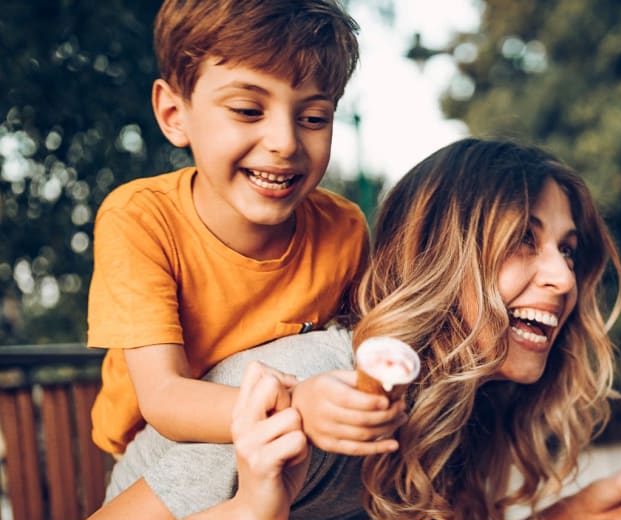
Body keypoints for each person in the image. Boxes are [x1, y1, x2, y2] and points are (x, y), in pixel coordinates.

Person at [12, 139, 621, 520]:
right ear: (440, 253)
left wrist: (579, 515)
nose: (563, 278)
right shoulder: (304, 383)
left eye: (568, 251)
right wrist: (247, 515)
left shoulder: (453, 400)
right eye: (524, 242)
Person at [86, 0, 404, 457]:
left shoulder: (344, 229)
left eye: (314, 118)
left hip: (272, 447)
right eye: (247, 110)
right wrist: (298, 406)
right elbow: (163, 397)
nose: (285, 142)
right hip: (154, 454)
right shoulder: (140, 218)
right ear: (175, 114)